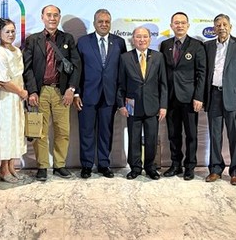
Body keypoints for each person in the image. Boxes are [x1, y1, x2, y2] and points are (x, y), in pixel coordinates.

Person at [23, 5, 81, 181]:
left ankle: (59, 165)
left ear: (59, 18)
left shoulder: (67, 38)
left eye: (55, 15)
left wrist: (71, 89)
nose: (52, 18)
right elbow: (27, 68)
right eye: (49, 15)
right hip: (40, 91)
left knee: (63, 131)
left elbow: (76, 65)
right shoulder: (33, 40)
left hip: (61, 92)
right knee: (40, 131)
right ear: (42, 17)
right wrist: (32, 91)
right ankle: (42, 166)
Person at [75, 9, 127, 179]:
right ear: (94, 23)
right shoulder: (83, 42)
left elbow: (122, 72)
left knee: (106, 132)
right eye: (100, 21)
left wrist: (120, 97)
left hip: (109, 96)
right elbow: (77, 70)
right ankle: (87, 165)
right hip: (87, 95)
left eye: (107, 22)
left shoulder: (119, 42)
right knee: (86, 132)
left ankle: (104, 164)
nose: (104, 24)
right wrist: (76, 94)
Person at [203, 14, 236, 185]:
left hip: (233, 97)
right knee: (214, 135)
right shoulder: (207, 46)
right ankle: (215, 169)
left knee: (235, 134)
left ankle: (235, 171)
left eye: (224, 24)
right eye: (218, 25)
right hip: (213, 95)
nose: (221, 27)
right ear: (214, 28)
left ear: (230, 27)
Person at [159, 12, 206, 180]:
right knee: (173, 134)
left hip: (190, 98)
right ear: (171, 26)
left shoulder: (197, 45)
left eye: (183, 23)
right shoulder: (165, 45)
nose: (179, 25)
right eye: (176, 23)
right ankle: (175, 164)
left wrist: (199, 97)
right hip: (171, 98)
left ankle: (190, 166)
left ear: (188, 25)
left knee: (191, 135)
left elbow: (202, 73)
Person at [116, 27, 167, 180]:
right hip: (132, 105)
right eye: (138, 37)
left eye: (145, 36)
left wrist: (163, 106)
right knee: (134, 138)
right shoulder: (125, 58)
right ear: (133, 39)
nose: (142, 39)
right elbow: (120, 84)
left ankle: (150, 167)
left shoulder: (158, 57)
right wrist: (121, 105)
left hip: (153, 105)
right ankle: (135, 167)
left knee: (151, 139)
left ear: (150, 39)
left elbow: (163, 84)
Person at [0, 18, 29, 183]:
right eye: (7, 31)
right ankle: (3, 169)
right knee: (7, 130)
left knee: (16, 129)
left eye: (13, 31)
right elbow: (3, 80)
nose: (10, 34)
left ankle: (11, 165)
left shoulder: (17, 51)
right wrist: (20, 92)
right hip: (6, 97)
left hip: (18, 96)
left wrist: (22, 92)